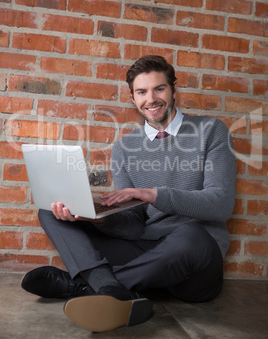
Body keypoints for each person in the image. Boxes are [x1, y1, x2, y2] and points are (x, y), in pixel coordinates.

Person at [21, 55, 236, 332]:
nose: (151, 99)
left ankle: (83, 285)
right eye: (142, 92)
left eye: (159, 89)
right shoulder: (125, 148)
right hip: (146, 251)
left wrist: (153, 194)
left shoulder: (211, 131)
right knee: (51, 210)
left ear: (173, 90)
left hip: (195, 264)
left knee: (191, 235)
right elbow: (133, 224)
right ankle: (109, 286)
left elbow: (221, 204)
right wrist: (96, 218)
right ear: (133, 98)